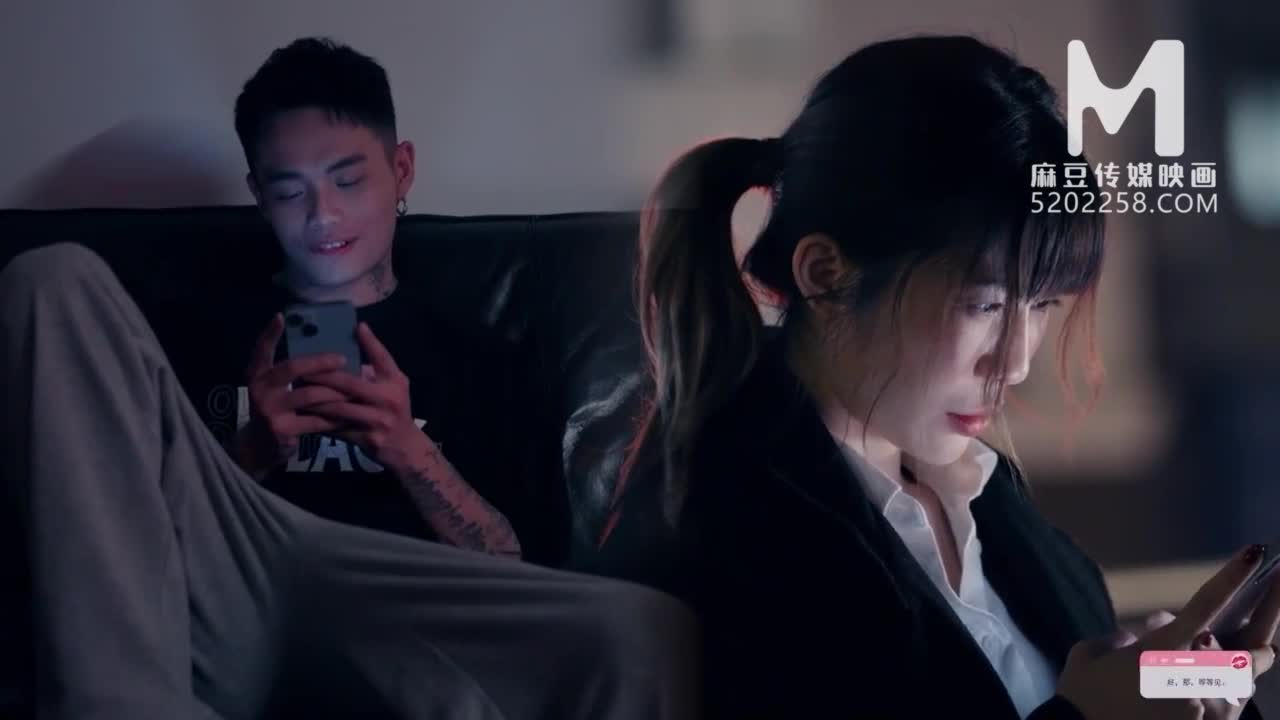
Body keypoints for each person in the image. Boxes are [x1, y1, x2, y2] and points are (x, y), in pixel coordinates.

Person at [0, 37, 698, 719]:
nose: (322, 215)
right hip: (224, 591)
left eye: (347, 179)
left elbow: (517, 572)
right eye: (289, 191)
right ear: (258, 196)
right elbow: (118, 534)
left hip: (396, 606)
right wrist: (250, 455)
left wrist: (409, 450)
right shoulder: (180, 331)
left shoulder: (481, 356)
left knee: (646, 632)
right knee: (53, 275)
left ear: (401, 170)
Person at [592, 35, 1280, 719]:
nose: (1015, 363)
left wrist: (1185, 692)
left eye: (1042, 305)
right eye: (984, 305)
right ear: (825, 274)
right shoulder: (731, 532)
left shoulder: (985, 496)